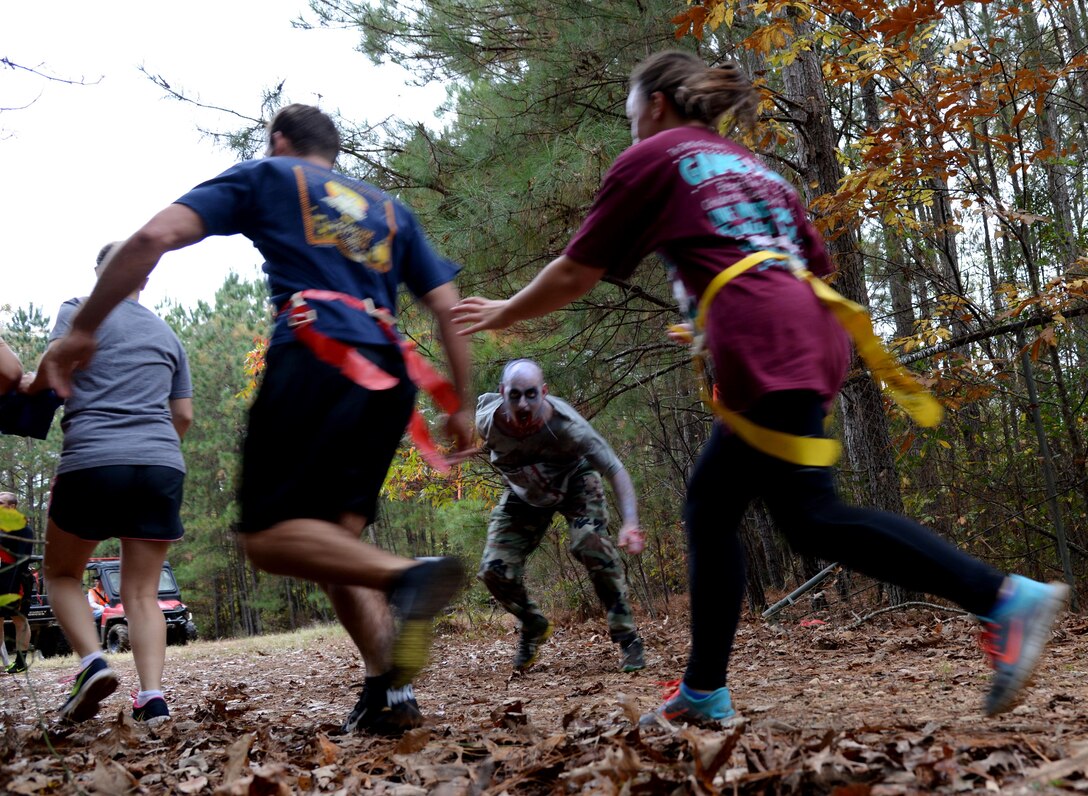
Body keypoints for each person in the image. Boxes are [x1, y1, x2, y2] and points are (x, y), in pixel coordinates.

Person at [452, 50, 1069, 723]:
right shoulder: (755, 169)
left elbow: (577, 273)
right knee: (715, 508)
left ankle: (1003, 598)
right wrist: (719, 326)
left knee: (810, 517)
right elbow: (797, 265)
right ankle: (704, 690)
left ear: (654, 102)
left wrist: (504, 312)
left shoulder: (653, 157)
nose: (631, 122)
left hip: (765, 336)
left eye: (632, 107)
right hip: (811, 330)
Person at [36, 104, 472, 736]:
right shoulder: (388, 208)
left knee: (267, 540)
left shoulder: (269, 176)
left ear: (279, 141)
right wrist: (459, 401)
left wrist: (83, 331)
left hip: (318, 355)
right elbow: (447, 306)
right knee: (334, 550)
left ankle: (410, 576)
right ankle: (389, 693)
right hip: (389, 375)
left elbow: (153, 238)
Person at [25, 242, 194, 724]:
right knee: (141, 593)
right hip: (161, 464)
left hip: (93, 460)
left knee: (60, 574)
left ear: (101, 275)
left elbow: (52, 369)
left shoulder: (78, 311)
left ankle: (92, 662)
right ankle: (153, 697)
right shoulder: (167, 335)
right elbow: (182, 414)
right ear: (145, 279)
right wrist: (151, 444)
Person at [476, 359, 646, 673]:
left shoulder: (569, 427)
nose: (523, 404)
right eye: (515, 395)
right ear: (502, 393)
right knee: (493, 570)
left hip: (575, 483)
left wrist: (631, 522)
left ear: (543, 392)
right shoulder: (487, 421)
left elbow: (614, 468)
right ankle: (533, 625)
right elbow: (459, 425)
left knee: (589, 544)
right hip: (525, 492)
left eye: (531, 395)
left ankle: (628, 638)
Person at [0, 491, 34, 674]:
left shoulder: (23, 528)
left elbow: (23, 559)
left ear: (12, 507)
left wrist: (13, 585)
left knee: (19, 620)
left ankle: (20, 662)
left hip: (16, 579)